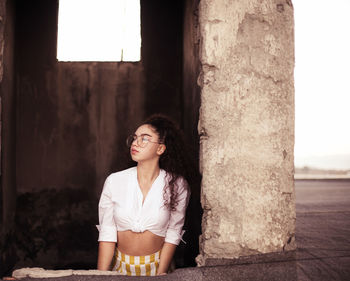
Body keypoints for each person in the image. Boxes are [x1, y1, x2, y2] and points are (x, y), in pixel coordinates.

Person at [96, 114, 197, 276]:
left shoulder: (177, 185)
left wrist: (160, 274)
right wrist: (99, 276)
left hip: (158, 267)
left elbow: (173, 232)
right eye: (135, 138)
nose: (135, 143)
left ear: (160, 148)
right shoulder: (114, 181)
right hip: (119, 266)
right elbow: (107, 232)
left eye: (144, 139)